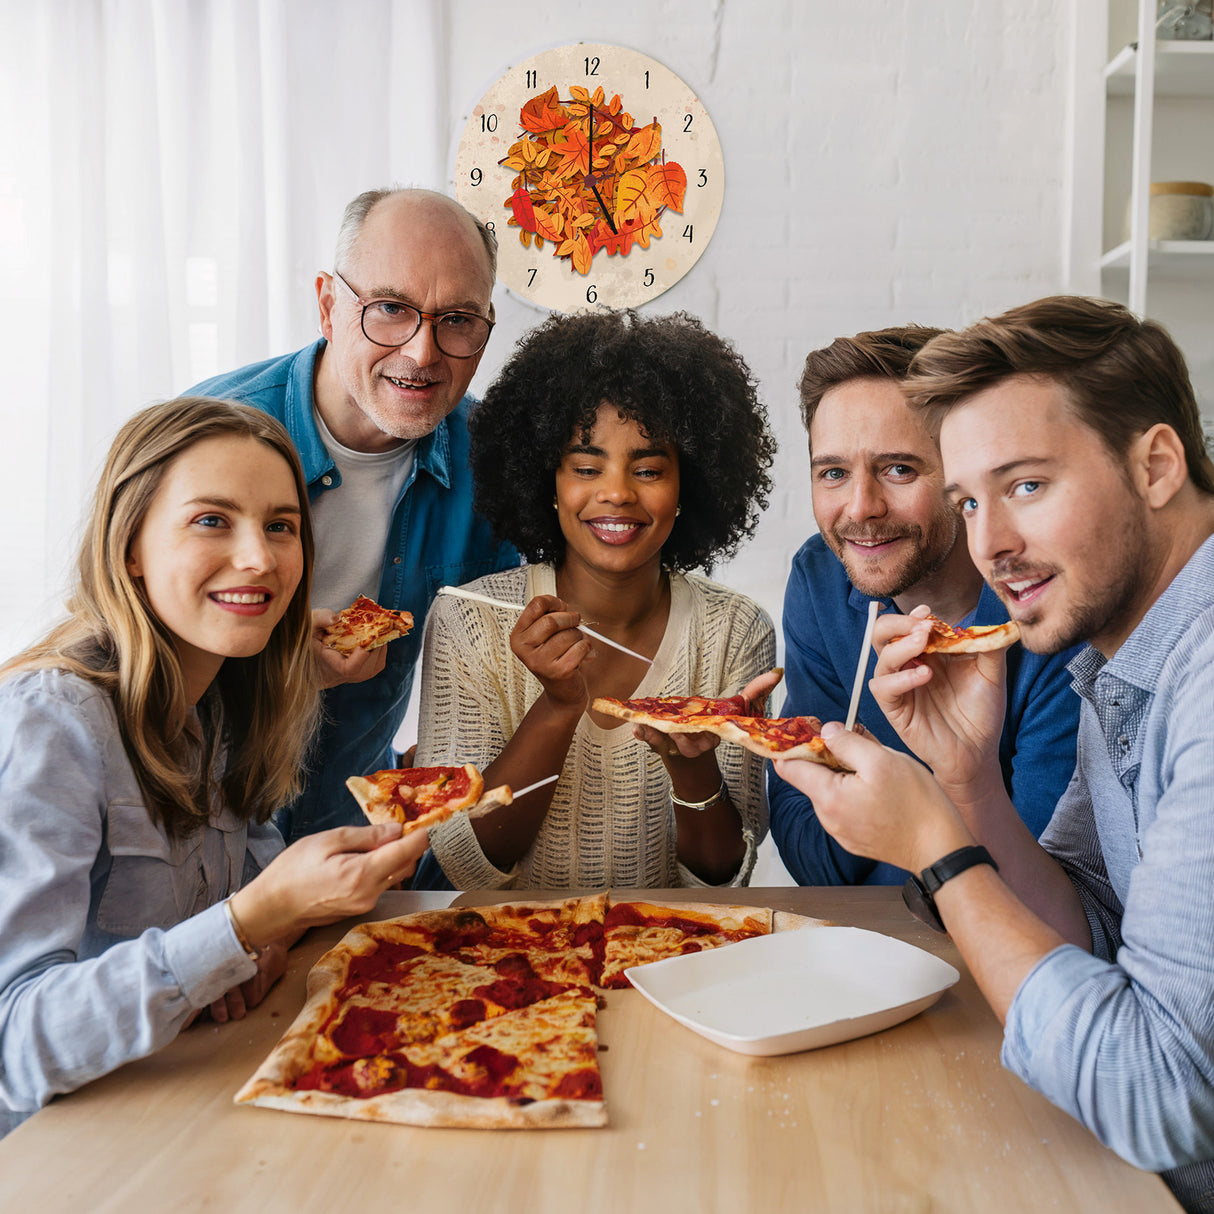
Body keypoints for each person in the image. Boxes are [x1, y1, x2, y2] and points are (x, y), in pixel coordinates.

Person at [776, 297, 1214, 1212]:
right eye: (971, 500)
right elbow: (1088, 929)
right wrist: (970, 783)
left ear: (1157, 465)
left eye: (1024, 486)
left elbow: (1159, 1097)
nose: (991, 545)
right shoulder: (1119, 649)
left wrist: (941, 847)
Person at [0, 398, 428, 1137]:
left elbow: (242, 894)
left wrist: (253, 944)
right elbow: (12, 1045)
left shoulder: (224, 694)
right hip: (59, 1154)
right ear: (130, 545)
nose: (260, 558)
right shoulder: (50, 720)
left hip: (180, 1103)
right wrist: (253, 920)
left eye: (280, 526)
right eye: (211, 520)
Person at [189, 188, 518, 843]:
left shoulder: (498, 466)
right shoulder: (201, 438)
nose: (423, 353)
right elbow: (119, 664)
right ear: (327, 304)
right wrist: (280, 663)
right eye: (391, 309)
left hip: (354, 843)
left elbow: (499, 674)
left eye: (457, 319)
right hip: (191, 839)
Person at [413, 310, 780, 890]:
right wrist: (558, 705)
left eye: (650, 469)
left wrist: (692, 767)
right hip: (508, 964)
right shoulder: (470, 619)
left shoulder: (735, 629)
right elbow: (467, 864)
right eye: (586, 466)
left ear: (690, 486)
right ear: (547, 482)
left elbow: (723, 878)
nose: (616, 493)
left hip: (673, 962)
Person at [768, 325, 1080, 885]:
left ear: (961, 478)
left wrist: (889, 802)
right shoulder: (819, 577)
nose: (861, 508)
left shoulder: (1049, 610)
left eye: (899, 469)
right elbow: (807, 853)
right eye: (834, 473)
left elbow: (1044, 883)